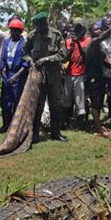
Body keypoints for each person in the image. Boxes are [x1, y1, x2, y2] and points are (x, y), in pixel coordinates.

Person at [24, 12, 68, 143]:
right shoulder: (32, 36)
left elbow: (63, 54)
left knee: (56, 105)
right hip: (38, 76)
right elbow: (24, 52)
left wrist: (47, 59)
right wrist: (30, 60)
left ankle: (56, 133)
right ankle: (35, 134)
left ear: (46, 23)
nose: (38, 29)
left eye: (40, 26)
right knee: (38, 106)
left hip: (54, 76)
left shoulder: (56, 35)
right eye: (36, 27)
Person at [85, 24, 111, 137]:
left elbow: (103, 60)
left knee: (99, 102)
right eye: (95, 29)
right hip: (92, 77)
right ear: (91, 33)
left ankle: (97, 123)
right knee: (95, 102)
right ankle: (98, 128)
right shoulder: (93, 43)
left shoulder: (98, 46)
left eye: (99, 29)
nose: (98, 31)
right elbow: (103, 36)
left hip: (99, 76)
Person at [0, 18, 28, 132]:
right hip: (6, 74)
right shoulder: (6, 43)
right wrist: (2, 72)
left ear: (21, 31)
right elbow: (2, 58)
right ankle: (5, 125)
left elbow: (26, 63)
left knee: (17, 101)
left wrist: (16, 76)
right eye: (12, 30)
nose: (13, 32)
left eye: (16, 30)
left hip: (18, 75)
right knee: (5, 101)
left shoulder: (24, 45)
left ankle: (15, 126)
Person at [63, 22, 90, 129]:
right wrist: (71, 48)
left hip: (81, 75)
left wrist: (78, 43)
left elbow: (86, 57)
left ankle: (81, 124)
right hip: (69, 74)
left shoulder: (87, 41)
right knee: (67, 99)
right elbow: (64, 59)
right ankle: (67, 122)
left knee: (80, 101)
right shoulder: (68, 42)